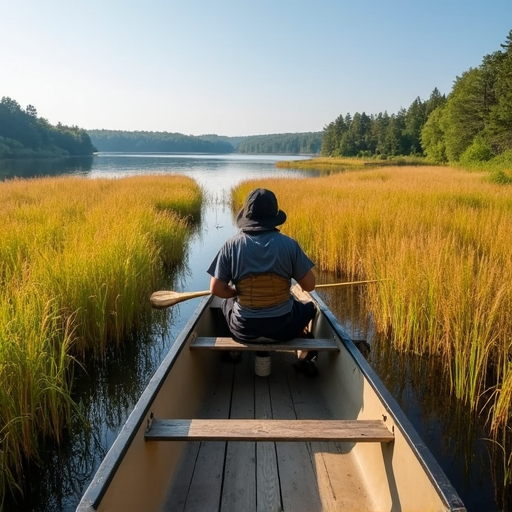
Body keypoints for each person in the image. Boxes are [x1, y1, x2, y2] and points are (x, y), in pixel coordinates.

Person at [206, 188, 318, 374]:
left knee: (225, 303)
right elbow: (309, 286)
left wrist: (235, 292)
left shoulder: (231, 245)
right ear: (274, 216)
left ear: (247, 215)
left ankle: (233, 352)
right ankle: (305, 352)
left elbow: (216, 289)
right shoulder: (289, 244)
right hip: (284, 329)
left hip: (244, 330)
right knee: (309, 308)